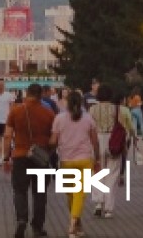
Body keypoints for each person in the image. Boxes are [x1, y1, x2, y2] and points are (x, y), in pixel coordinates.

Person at [3, 83, 55, 238]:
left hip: (20, 156)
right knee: (40, 192)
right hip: (41, 158)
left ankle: (21, 219)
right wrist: (48, 151)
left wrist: (6, 157)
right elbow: (54, 139)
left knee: (20, 190)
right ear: (41, 95)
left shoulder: (16, 111)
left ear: (27, 93)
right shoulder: (49, 113)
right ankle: (37, 227)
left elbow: (7, 136)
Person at [49, 91, 98, 238]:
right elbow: (94, 141)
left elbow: (53, 141)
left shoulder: (59, 119)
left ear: (67, 103)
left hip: (66, 160)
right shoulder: (88, 119)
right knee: (79, 194)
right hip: (85, 160)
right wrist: (97, 158)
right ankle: (75, 225)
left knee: (71, 195)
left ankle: (73, 224)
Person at [87, 85, 132, 219]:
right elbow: (123, 128)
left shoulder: (92, 109)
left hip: (96, 141)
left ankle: (98, 203)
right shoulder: (117, 109)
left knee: (97, 172)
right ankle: (108, 208)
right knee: (112, 174)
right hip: (113, 141)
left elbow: (89, 128)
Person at [0, 79, 16, 167]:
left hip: (7, 121)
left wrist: (12, 119)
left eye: (3, 84)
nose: (2, 86)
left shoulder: (9, 95)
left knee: (8, 139)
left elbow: (12, 108)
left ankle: (7, 156)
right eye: (0, 84)